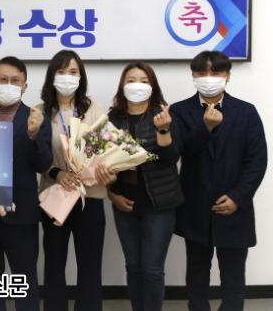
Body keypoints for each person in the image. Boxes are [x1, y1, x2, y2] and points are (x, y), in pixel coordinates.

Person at [170, 51, 267, 311]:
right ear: (193, 75)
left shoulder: (246, 112)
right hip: (196, 205)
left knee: (233, 275)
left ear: (228, 76)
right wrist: (206, 128)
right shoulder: (179, 110)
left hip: (235, 207)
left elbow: (257, 160)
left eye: (216, 72)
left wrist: (237, 197)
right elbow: (178, 152)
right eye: (202, 72)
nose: (208, 77)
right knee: (197, 272)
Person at [38, 50, 115, 311]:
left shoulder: (94, 109)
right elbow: (36, 157)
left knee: (90, 266)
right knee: (54, 264)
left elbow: (110, 150)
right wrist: (57, 173)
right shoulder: (39, 112)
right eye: (61, 71)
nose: (67, 77)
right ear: (52, 76)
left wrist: (106, 169)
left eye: (73, 72)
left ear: (81, 77)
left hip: (89, 199)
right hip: (55, 198)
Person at [0, 56, 53, 311]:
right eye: (3, 79)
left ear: (24, 86)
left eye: (15, 80)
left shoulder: (36, 118)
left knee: (25, 280)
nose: (9, 84)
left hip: (22, 215)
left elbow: (43, 165)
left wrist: (33, 134)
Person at [107, 62, 184, 311]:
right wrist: (112, 195)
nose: (137, 85)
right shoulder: (112, 118)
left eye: (143, 80)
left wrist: (163, 130)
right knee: (133, 266)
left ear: (152, 86)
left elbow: (171, 158)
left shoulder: (163, 116)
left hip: (158, 205)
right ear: (122, 85)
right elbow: (104, 163)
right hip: (124, 204)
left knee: (152, 269)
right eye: (131, 80)